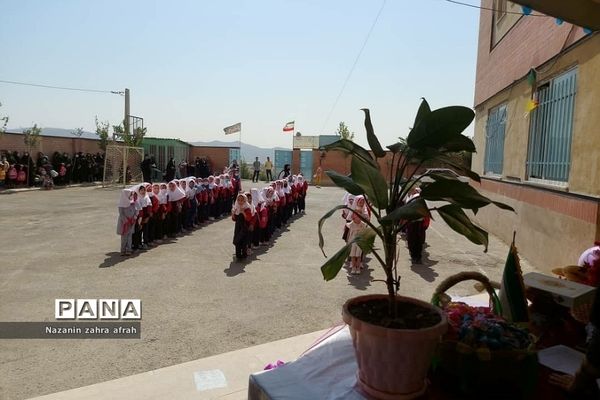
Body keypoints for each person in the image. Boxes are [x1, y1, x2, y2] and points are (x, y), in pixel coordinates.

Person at [232, 193, 253, 260]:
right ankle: (238, 255)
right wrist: (233, 214)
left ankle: (244, 255)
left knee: (243, 242)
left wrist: (243, 212)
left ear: (245, 200)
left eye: (242, 200)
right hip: (238, 227)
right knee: (237, 241)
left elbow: (249, 218)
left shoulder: (247, 208)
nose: (240, 202)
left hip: (244, 227)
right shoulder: (236, 208)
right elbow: (234, 219)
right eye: (239, 200)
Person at [116, 188, 137, 256]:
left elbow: (136, 211)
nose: (131, 196)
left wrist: (134, 218)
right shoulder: (121, 204)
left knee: (129, 237)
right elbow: (121, 214)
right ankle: (123, 250)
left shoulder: (132, 202)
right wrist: (126, 220)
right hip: (124, 223)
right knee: (124, 237)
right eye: (130, 194)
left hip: (131, 222)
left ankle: (129, 250)